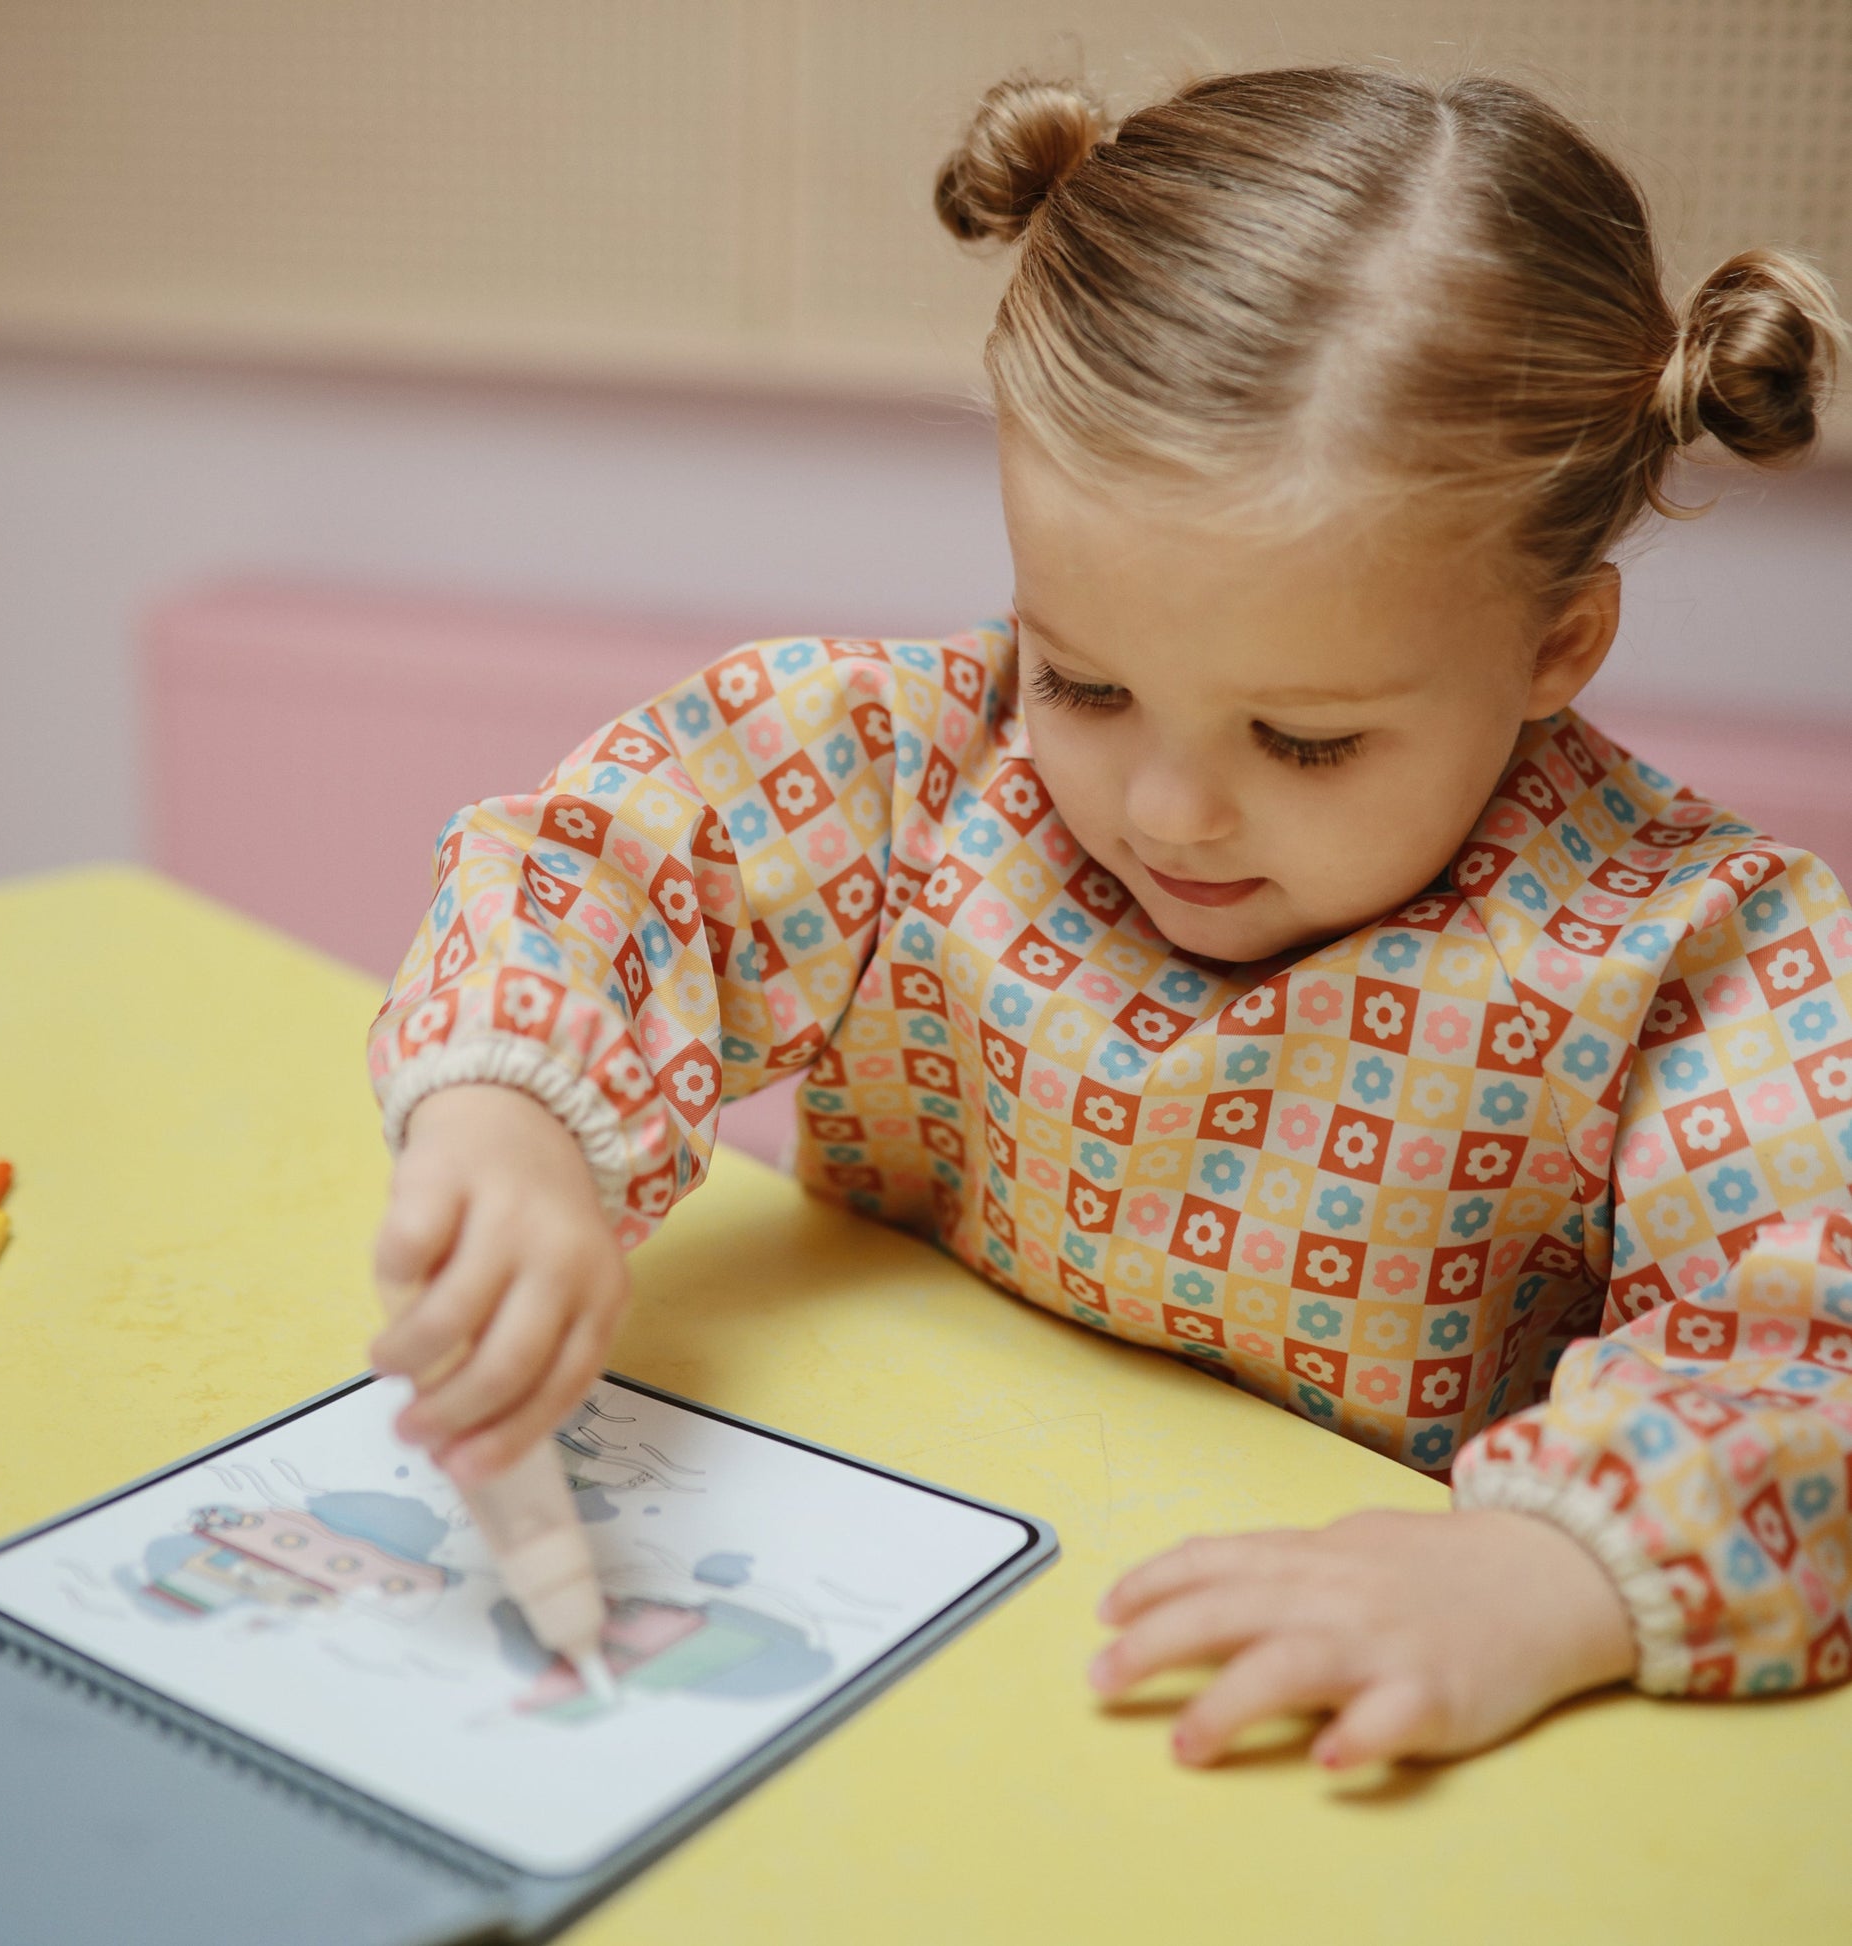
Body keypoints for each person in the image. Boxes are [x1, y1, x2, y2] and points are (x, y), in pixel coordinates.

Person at [366, 65, 1852, 1769]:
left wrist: (1537, 1580)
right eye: (1082, 676)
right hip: (883, 1625)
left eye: (1303, 736)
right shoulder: (920, 765)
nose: (1165, 809)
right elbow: (610, 867)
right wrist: (512, 1119)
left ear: (1551, 646)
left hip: (1288, 1716)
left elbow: (1799, 1353)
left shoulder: (1690, 950)